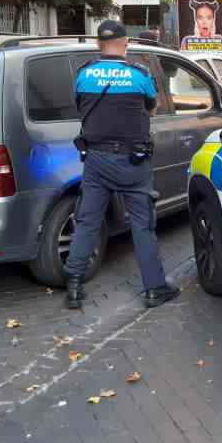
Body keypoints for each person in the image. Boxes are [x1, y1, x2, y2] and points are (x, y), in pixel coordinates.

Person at [64, 20, 179, 310]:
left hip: (96, 161)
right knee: (143, 226)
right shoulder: (139, 75)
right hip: (133, 162)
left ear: (98, 44)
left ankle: (74, 286)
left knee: (88, 222)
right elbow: (151, 108)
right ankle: (154, 289)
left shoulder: (83, 75)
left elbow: (81, 106)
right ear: (125, 43)